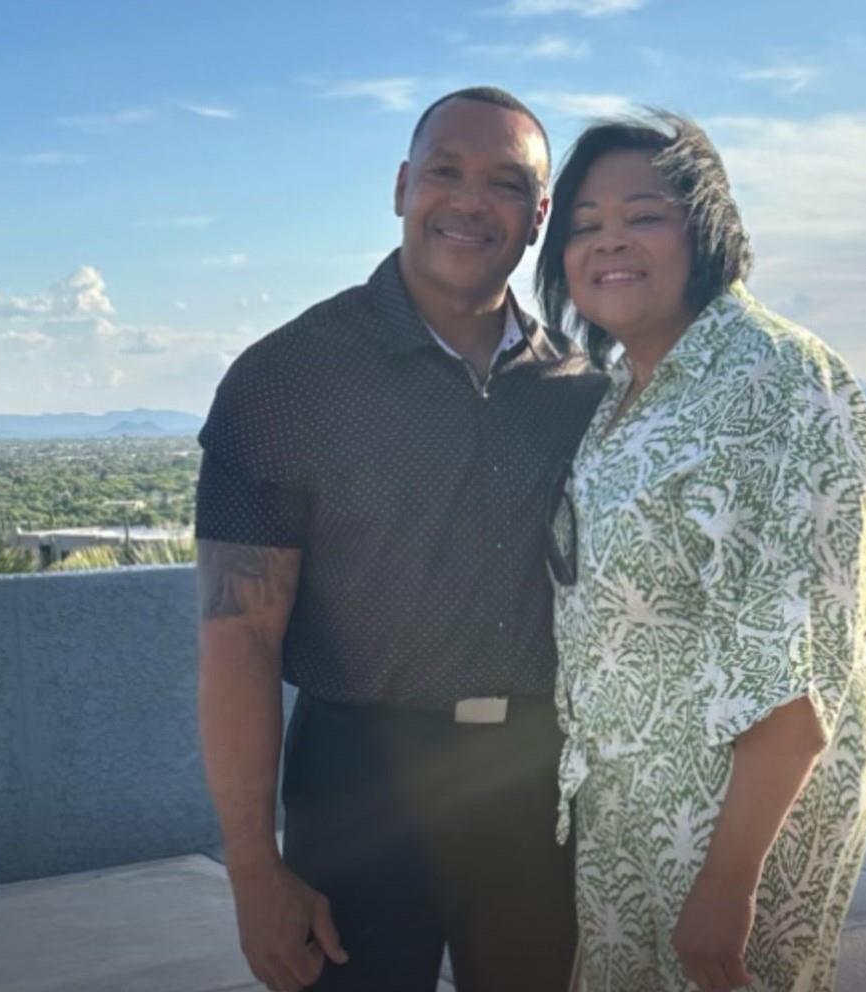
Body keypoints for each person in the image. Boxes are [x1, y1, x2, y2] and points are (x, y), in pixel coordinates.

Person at [195, 86, 607, 992]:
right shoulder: (285, 380)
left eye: (504, 184)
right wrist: (253, 871)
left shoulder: (581, 391)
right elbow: (239, 638)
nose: (468, 201)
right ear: (400, 187)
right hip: (358, 787)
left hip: (535, 785)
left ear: (537, 217)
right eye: (444, 172)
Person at [536, 113, 866, 992]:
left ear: (705, 229)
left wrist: (727, 887)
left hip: (734, 816)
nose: (609, 241)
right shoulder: (632, 379)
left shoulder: (769, 377)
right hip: (636, 804)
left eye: (642, 215)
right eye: (583, 224)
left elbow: (795, 672)